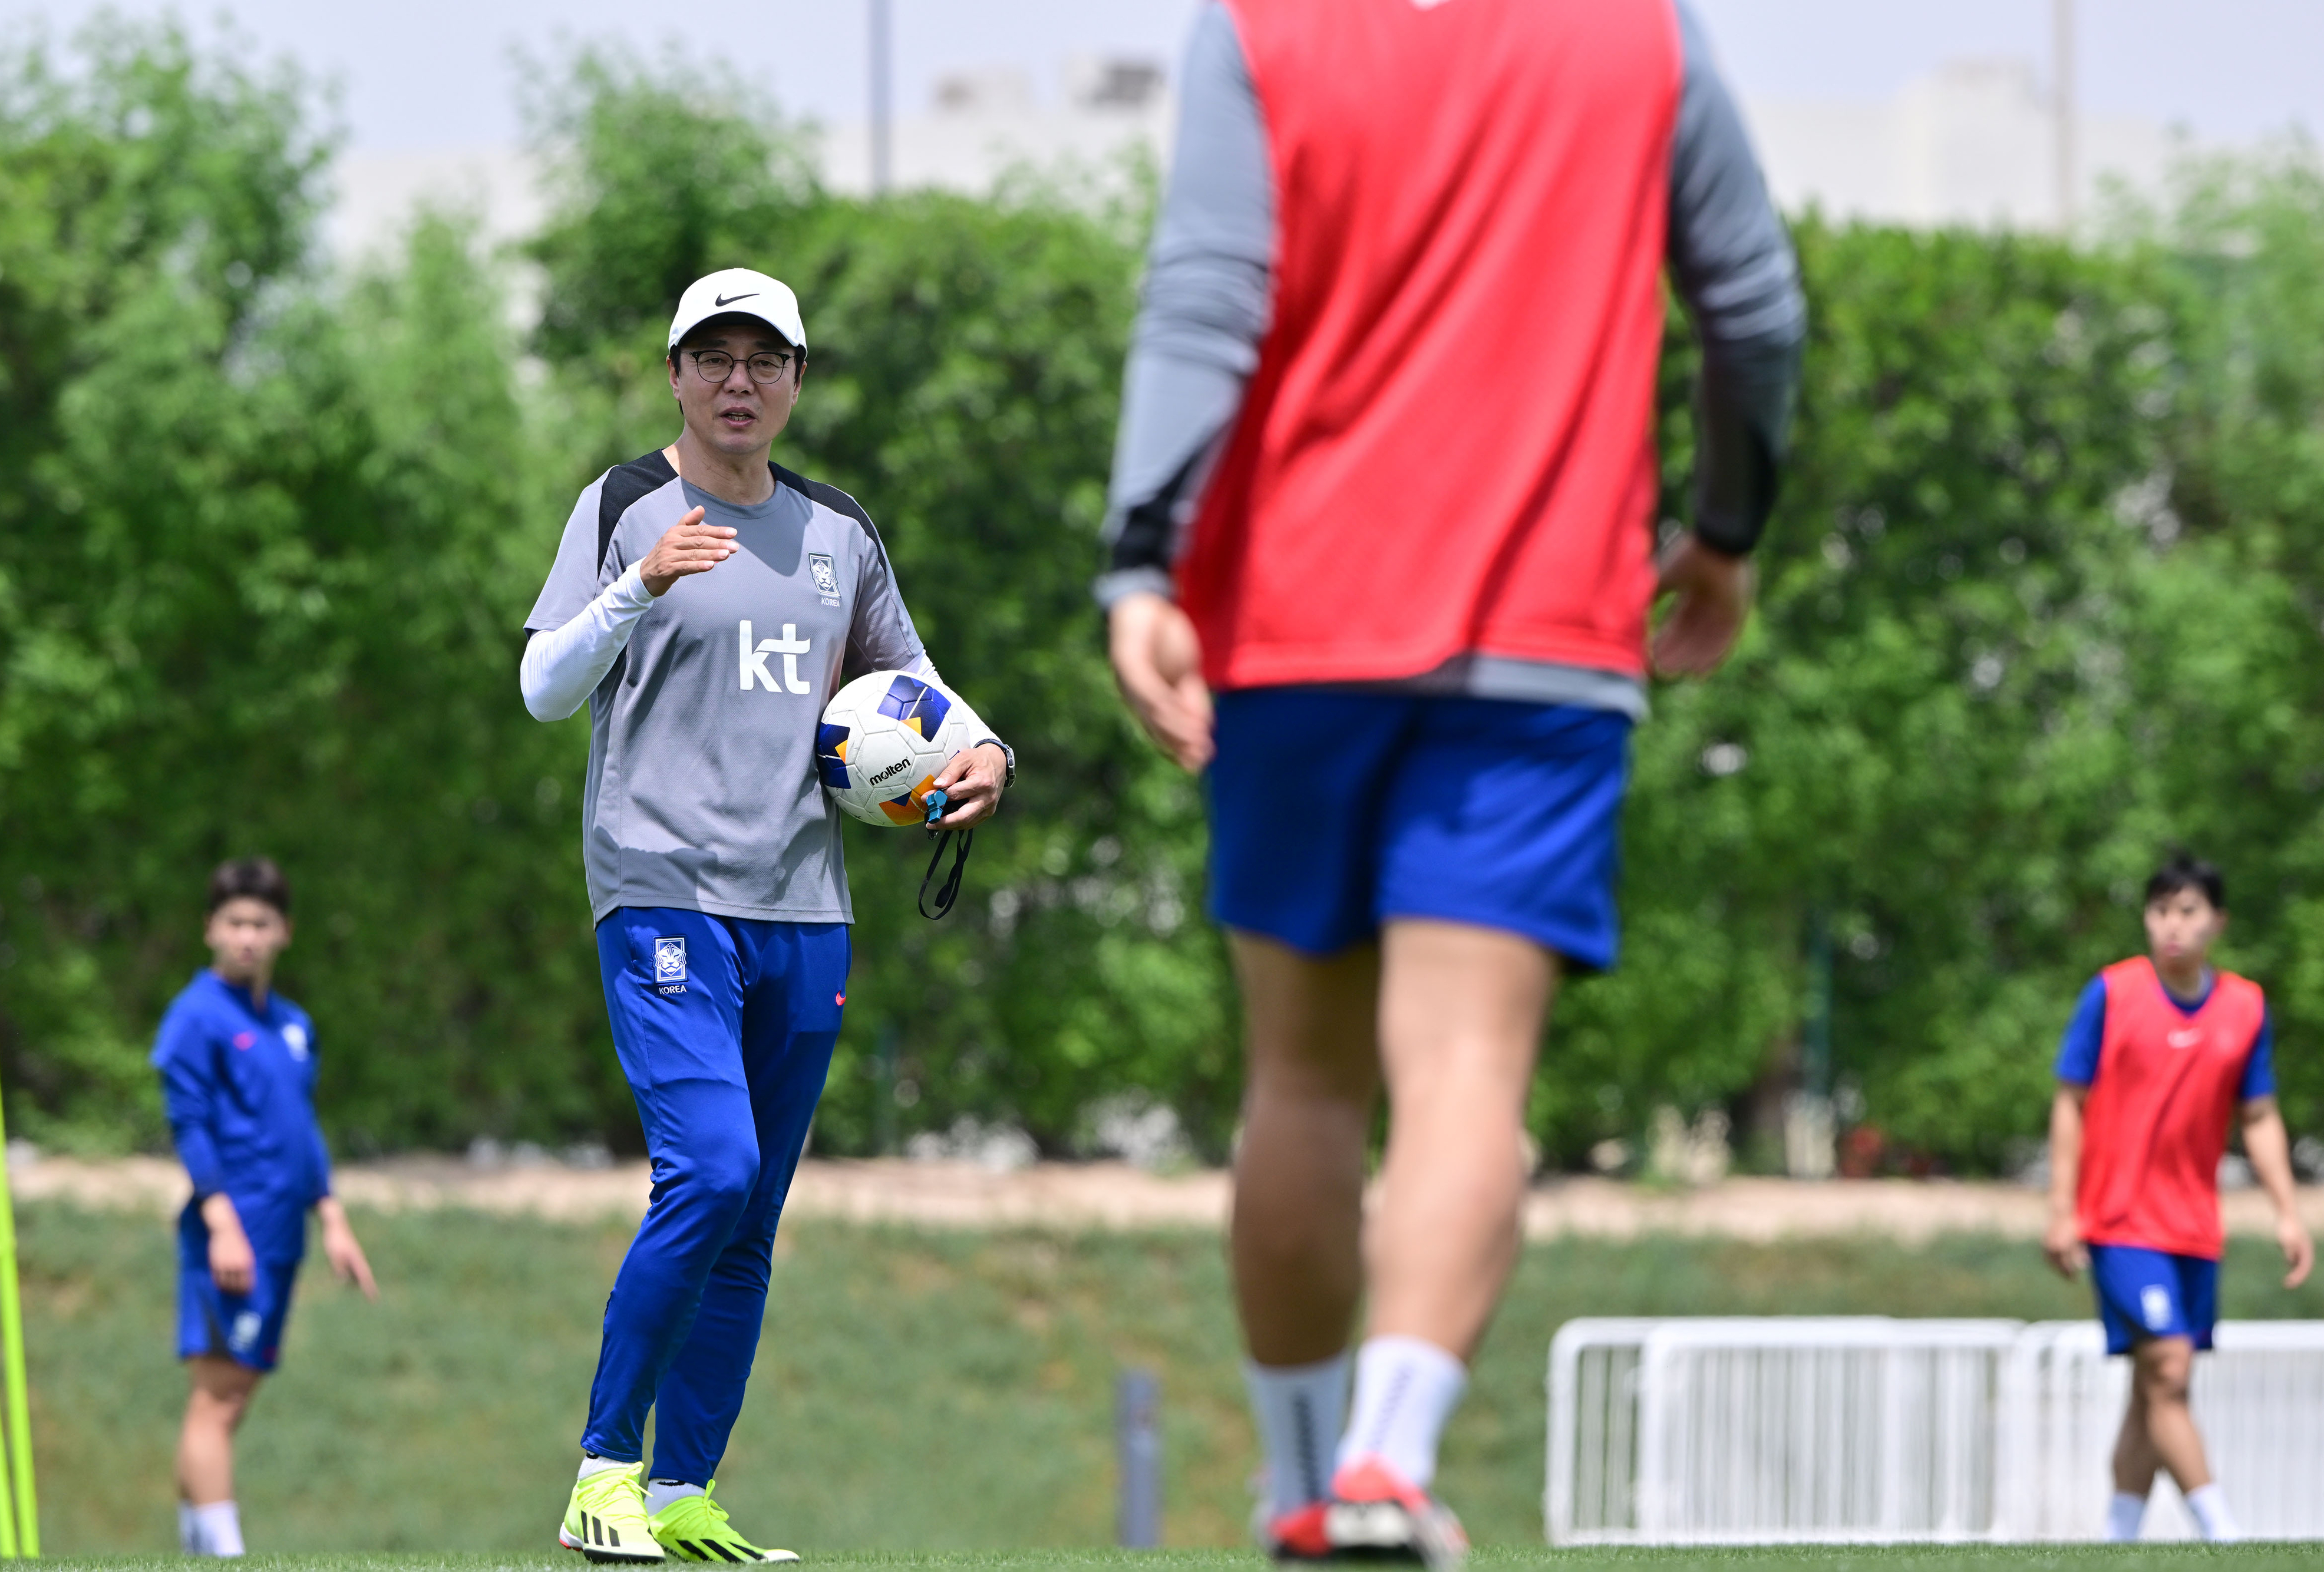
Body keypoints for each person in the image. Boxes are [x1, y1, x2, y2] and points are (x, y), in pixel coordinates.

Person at [1094, 1, 1806, 1563]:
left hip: (1290, 628)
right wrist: (1728, 533)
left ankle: (1301, 1493)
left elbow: (1205, 298)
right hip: (1542, 639)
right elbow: (1754, 313)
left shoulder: (1260, 30)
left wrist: (1138, 561)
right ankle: (1385, 1473)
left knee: (1303, 1080)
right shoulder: (1644, 38)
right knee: (1468, 1074)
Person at [521, 268, 1011, 1565]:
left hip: (805, 907)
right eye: (713, 357)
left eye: (765, 359)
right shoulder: (625, 505)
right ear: (674, 372)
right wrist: (638, 586)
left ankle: (682, 1493)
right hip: (662, 889)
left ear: (796, 380)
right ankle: (601, 1473)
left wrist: (989, 755)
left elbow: (916, 691)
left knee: (751, 1219)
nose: (739, 381)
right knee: (711, 1171)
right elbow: (541, 685)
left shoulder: (838, 530)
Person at [2044, 852, 2313, 1543]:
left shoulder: (2244, 1008)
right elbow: (2069, 1101)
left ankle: (2117, 1538)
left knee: (2152, 1387)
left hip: (2194, 1226)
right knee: (2167, 1363)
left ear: (2216, 921)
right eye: (2159, 910)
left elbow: (2257, 1116)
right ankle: (2224, 1533)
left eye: (2187, 911)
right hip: (2119, 1219)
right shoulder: (2111, 993)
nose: (2171, 925)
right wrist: (2061, 1207)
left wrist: (2288, 1212)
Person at [153, 856, 378, 1558]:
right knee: (216, 1399)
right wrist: (221, 1222)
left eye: (261, 923)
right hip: (232, 1233)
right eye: (234, 923)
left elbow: (299, 1127)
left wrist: (332, 1215)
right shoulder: (196, 1016)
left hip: (282, 1234)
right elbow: (188, 1123)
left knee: (234, 1397)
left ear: (284, 931)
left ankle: (198, 1548)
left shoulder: (292, 1025)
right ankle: (223, 1553)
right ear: (210, 930)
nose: (246, 936)